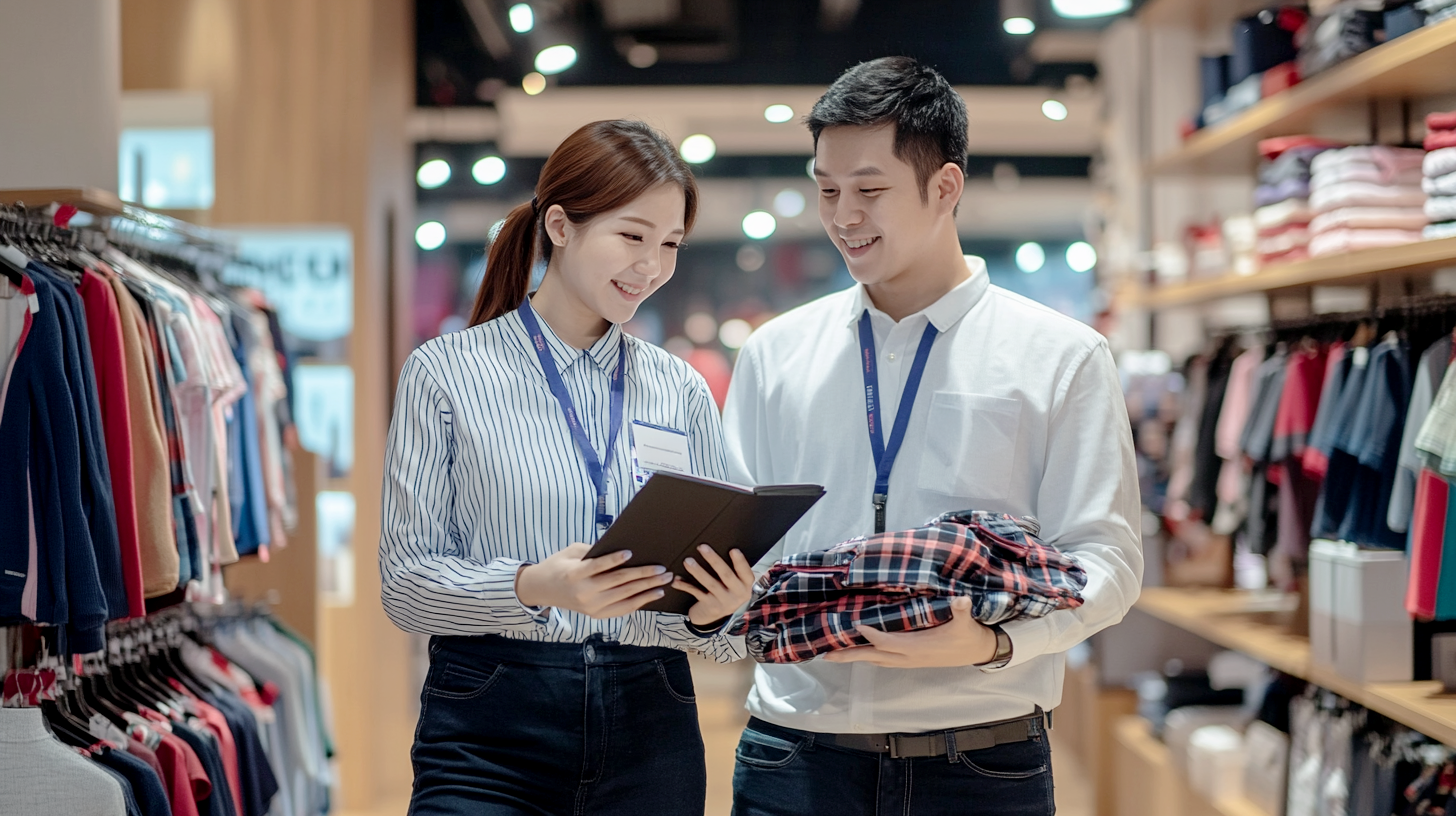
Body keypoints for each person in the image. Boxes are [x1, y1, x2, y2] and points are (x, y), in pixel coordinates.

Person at [723, 57, 1142, 815]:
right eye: (827, 190)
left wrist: (996, 641)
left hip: (981, 760)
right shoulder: (774, 353)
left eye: (870, 190)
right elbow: (737, 545)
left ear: (945, 186)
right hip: (794, 755)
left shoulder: (1060, 355)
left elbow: (1107, 560)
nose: (843, 214)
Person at [379, 119, 756, 816]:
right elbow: (405, 587)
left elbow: (728, 631)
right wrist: (534, 585)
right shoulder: (446, 374)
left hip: (653, 724)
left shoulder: (681, 390)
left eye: (670, 244)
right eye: (632, 236)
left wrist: (718, 615)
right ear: (560, 224)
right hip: (489, 727)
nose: (651, 265)